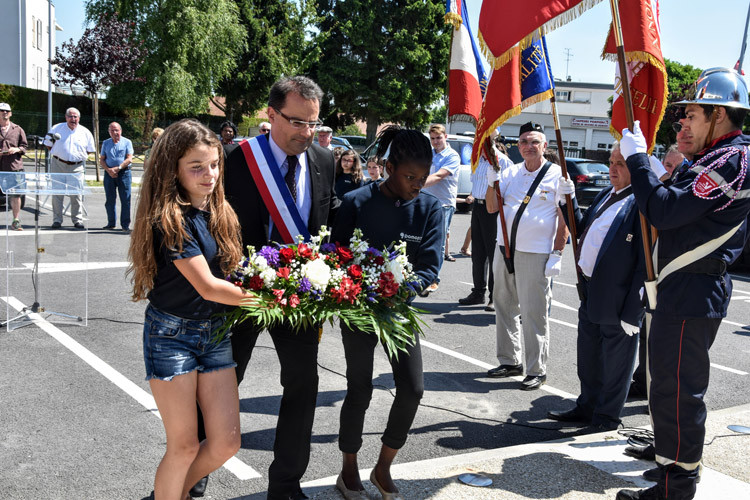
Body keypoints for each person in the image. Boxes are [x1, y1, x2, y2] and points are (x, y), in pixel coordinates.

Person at [194, 76, 339, 500]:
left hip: (298, 296)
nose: (306, 132)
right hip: (239, 293)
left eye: (313, 123)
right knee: (223, 378)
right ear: (271, 115)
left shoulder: (324, 161)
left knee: (303, 383)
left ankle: (287, 483)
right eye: (297, 122)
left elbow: (329, 220)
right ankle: (197, 469)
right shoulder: (234, 160)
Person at [616, 67, 750, 500]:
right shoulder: (712, 158)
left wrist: (639, 162)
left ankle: (676, 487)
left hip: (692, 290)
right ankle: (670, 464)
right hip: (679, 289)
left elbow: (666, 212)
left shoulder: (734, 159)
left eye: (691, 114)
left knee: (679, 394)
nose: (681, 124)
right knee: (665, 387)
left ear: (720, 114)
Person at [127, 119, 250, 500]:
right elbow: (209, 286)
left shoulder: (221, 212)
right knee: (183, 446)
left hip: (213, 334)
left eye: (214, 164)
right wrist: (278, 299)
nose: (209, 174)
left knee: (226, 444)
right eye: (196, 166)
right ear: (174, 170)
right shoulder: (171, 219)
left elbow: (234, 273)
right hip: (171, 337)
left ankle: (170, 493)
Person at [331, 126, 443, 500]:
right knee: (359, 388)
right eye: (410, 177)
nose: (417, 185)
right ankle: (348, 471)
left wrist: (400, 289)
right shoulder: (356, 202)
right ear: (389, 167)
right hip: (359, 310)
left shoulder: (430, 209)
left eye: (423, 179)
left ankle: (383, 467)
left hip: (398, 311)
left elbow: (430, 266)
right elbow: (337, 255)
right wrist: (359, 286)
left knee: (413, 388)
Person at [547, 143, 645, 431]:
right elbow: (580, 228)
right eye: (611, 162)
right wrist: (569, 199)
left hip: (618, 295)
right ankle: (587, 406)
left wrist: (633, 311)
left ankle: (606, 418)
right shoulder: (606, 194)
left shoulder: (640, 204)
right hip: (590, 289)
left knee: (617, 364)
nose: (612, 169)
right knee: (589, 356)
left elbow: (644, 262)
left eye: (621, 164)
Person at [484, 122, 572, 391]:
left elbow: (565, 219)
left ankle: (536, 369)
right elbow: (491, 208)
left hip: (536, 253)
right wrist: (491, 183)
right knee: (503, 305)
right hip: (505, 249)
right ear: (518, 146)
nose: (528, 146)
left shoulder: (558, 175)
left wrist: (557, 252)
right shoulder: (510, 173)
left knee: (534, 313)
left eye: (534, 142)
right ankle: (509, 360)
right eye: (524, 141)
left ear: (545, 146)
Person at [459, 133, 513, 311]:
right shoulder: (477, 161)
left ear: (491, 141)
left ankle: (494, 296)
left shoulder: (502, 161)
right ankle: (478, 292)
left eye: (482, 141)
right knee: (478, 253)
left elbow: (509, 188)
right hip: (478, 207)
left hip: (494, 210)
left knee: (493, 254)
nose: (479, 144)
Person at [420, 124, 460, 295]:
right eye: (433, 139)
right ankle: (421, 274)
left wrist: (415, 184)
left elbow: (438, 176)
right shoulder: (428, 154)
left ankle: (433, 278)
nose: (435, 142)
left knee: (438, 243)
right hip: (424, 201)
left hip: (443, 204)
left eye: (438, 138)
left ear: (446, 137)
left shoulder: (452, 155)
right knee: (421, 240)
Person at [44, 107, 96, 229]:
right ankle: (57, 220)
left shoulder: (85, 132)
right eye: (70, 116)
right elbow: (48, 144)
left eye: (75, 117)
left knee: (76, 194)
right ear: (66, 117)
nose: (73, 119)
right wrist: (60, 154)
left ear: (79, 118)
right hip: (58, 164)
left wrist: (76, 158)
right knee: (57, 193)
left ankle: (77, 220)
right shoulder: (57, 128)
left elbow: (89, 150)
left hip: (76, 167)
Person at [99, 122, 134, 232]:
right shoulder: (106, 143)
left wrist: (118, 168)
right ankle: (111, 223)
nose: (115, 133)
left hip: (124, 173)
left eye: (117, 130)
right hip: (109, 174)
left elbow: (129, 159)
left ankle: (125, 225)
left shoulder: (127, 142)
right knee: (110, 199)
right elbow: (102, 159)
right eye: (112, 130)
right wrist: (109, 170)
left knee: (125, 200)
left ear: (121, 131)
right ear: (109, 132)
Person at [0, 103, 28, 231]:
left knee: (16, 195)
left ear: (10, 113)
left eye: (7, 111)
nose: (4, 113)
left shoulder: (17, 129)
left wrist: (16, 149)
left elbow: (25, 147)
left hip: (14, 167)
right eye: (2, 111)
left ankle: (16, 221)